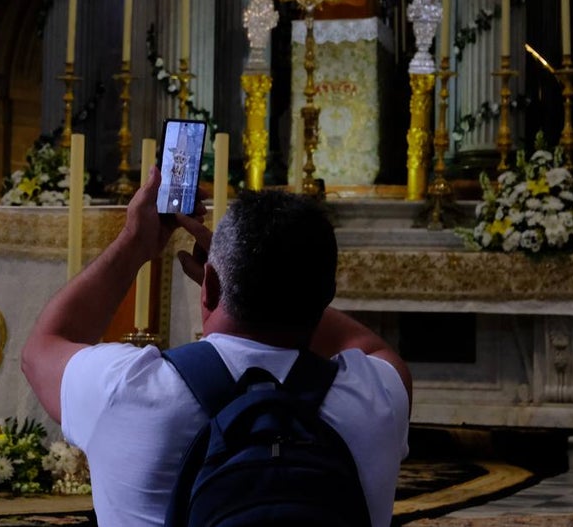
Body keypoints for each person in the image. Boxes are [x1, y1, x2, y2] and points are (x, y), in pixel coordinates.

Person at [22, 172, 412, 527]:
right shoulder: (378, 398)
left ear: (208, 285)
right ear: (324, 298)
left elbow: (42, 348)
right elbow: (371, 346)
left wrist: (135, 244)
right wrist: (261, 280)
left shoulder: (128, 389)